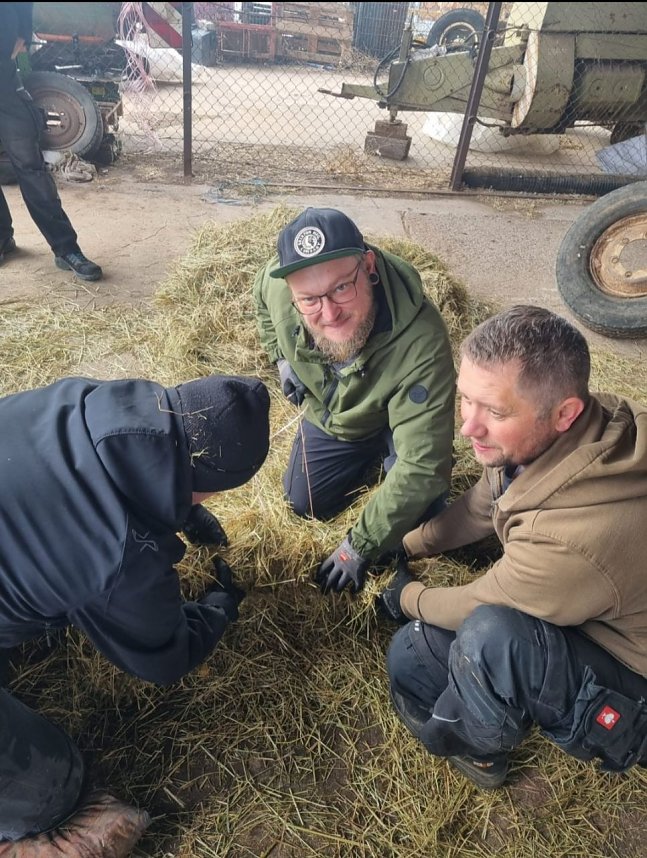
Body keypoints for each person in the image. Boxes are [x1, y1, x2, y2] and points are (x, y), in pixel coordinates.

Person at [0, 373, 270, 852]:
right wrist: (218, 609)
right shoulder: (119, 555)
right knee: (53, 786)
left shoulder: (85, 397)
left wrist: (179, 509)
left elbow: (113, 462)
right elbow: (164, 656)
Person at [381, 305, 647, 789]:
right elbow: (483, 506)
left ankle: (480, 748)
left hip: (636, 672)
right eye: (466, 400)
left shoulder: (571, 538)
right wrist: (409, 543)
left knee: (427, 654)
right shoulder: (576, 426)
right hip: (607, 595)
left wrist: (404, 597)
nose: (468, 427)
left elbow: (477, 602)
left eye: (495, 412)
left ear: (565, 413)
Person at [253, 206, 456, 594]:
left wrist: (358, 546)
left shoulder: (422, 340)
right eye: (309, 300)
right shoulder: (280, 286)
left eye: (342, 288)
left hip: (398, 417)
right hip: (336, 418)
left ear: (368, 266)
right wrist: (281, 358)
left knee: (421, 516)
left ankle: (388, 453)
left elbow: (422, 465)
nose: (329, 313)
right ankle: (365, 458)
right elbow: (261, 292)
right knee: (303, 503)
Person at [0, 2, 102, 281]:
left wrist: (22, 30)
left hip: (4, 76)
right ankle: (2, 239)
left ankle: (66, 248)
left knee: (30, 166)